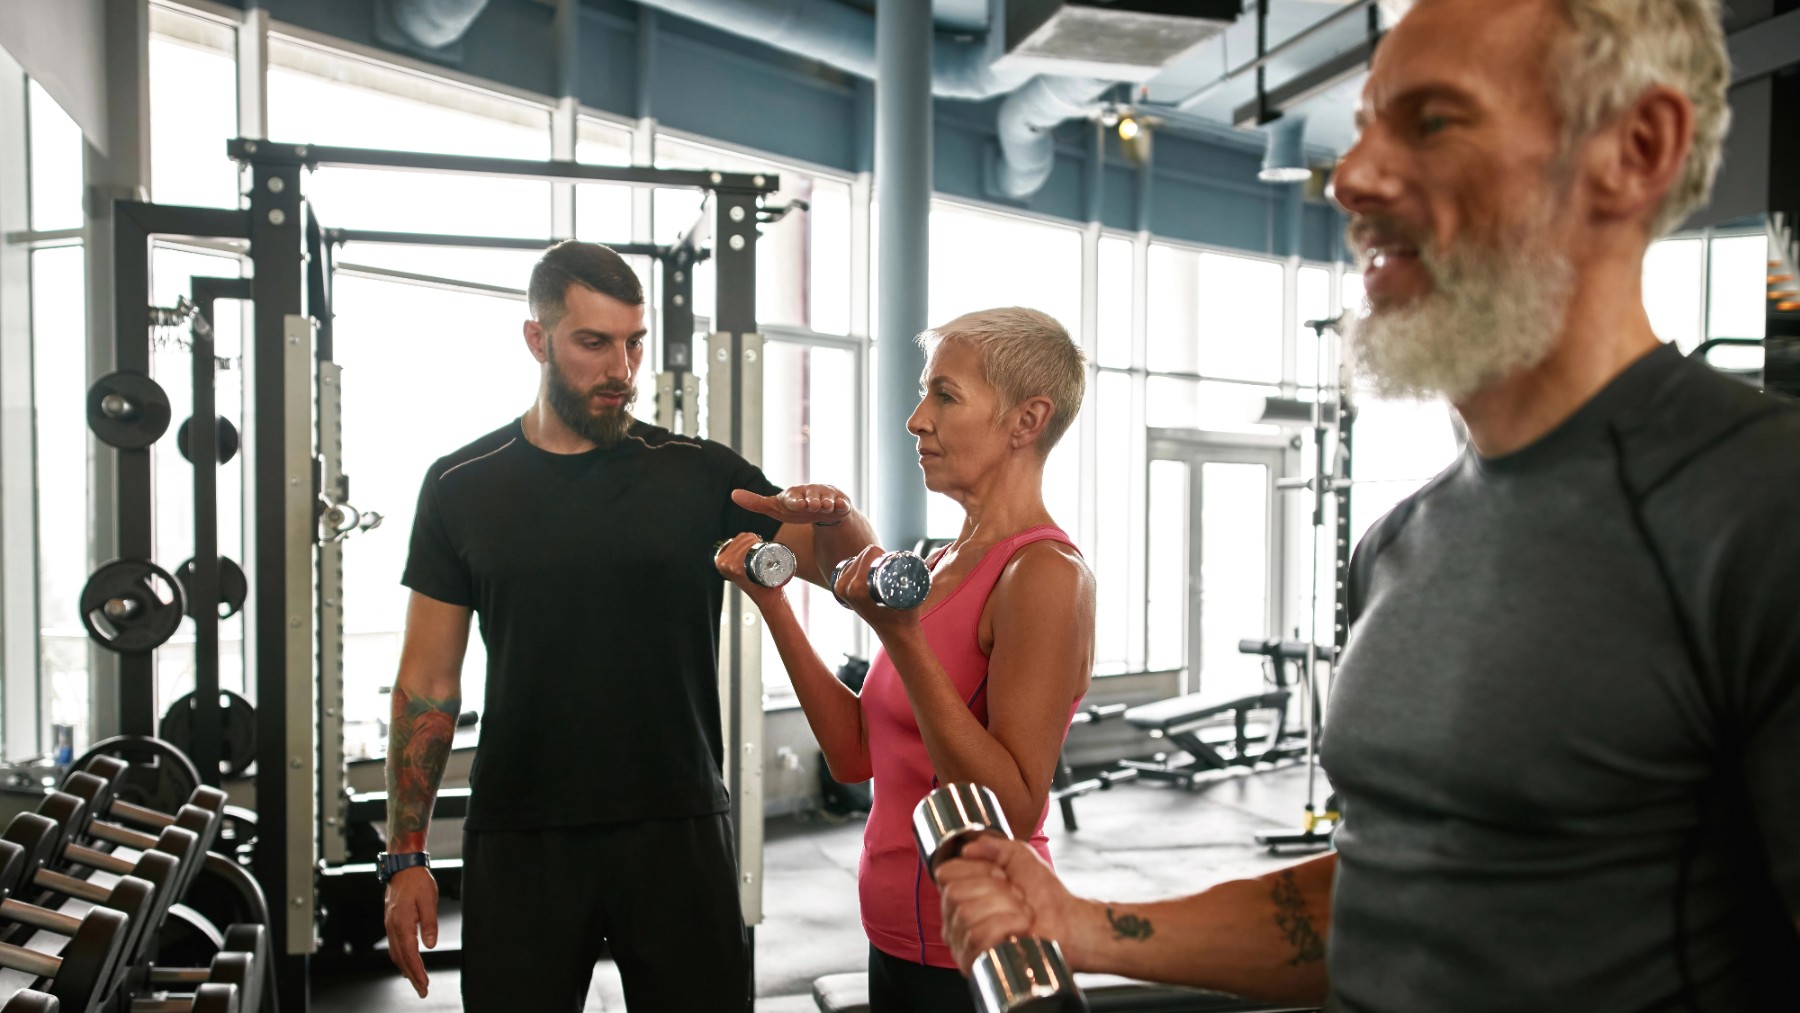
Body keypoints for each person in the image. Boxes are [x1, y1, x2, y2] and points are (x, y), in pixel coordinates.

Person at [936, 1, 1800, 1010]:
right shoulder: (1406, 540)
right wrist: (1085, 924)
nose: (1352, 178)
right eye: (1365, 128)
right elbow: (1395, 890)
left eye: (1432, 121)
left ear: (1634, 149)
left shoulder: (1761, 508)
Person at [378, 240, 877, 1012]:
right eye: (594, 342)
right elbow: (428, 682)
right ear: (537, 339)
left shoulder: (699, 473)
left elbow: (845, 568)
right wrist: (404, 853)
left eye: (633, 342)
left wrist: (842, 517)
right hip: (521, 831)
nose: (622, 368)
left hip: (676, 823)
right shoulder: (459, 485)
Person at [716, 307, 1096, 1012]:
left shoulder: (1043, 573)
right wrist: (773, 604)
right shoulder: (939, 561)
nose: (917, 419)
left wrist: (902, 636)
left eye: (945, 395)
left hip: (983, 948)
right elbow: (854, 753)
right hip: (897, 938)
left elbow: (1009, 807)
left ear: (1026, 419)